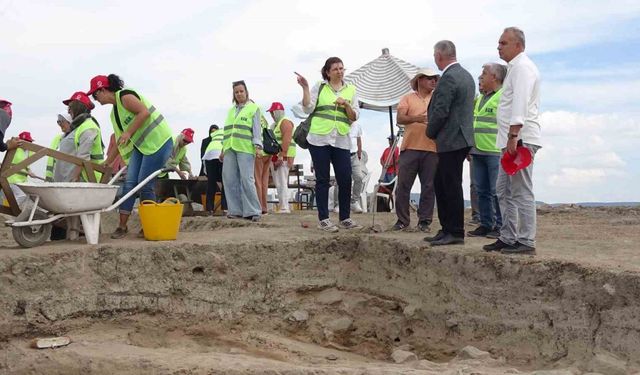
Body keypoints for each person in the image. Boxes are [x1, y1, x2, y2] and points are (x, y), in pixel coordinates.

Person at [88, 74, 173, 239]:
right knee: (130, 184)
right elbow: (121, 141)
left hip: (159, 142)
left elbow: (144, 113)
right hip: (142, 147)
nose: (95, 99)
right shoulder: (115, 114)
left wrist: (128, 132)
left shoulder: (125, 96)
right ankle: (122, 226)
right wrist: (109, 161)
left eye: (95, 94)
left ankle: (149, 225)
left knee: (144, 184)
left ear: (103, 90)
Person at [483, 27, 542, 255]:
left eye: (503, 43)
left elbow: (520, 103)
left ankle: (526, 241)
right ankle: (508, 236)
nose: (499, 46)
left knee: (521, 190)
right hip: (511, 138)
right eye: (499, 42)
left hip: (520, 138)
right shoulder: (514, 68)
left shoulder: (523, 68)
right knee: (504, 189)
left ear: (518, 45)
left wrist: (514, 135)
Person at [296, 57, 362, 232]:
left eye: (342, 68)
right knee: (323, 179)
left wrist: (346, 103)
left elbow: (354, 116)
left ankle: (345, 217)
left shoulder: (351, 90)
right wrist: (305, 88)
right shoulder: (321, 86)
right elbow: (308, 108)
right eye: (335, 69)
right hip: (319, 138)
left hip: (341, 139)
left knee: (345, 178)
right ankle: (324, 219)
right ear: (327, 72)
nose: (339, 71)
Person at [424, 40, 475, 246]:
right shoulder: (467, 76)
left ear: (439, 56)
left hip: (451, 138)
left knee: (449, 185)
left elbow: (441, 110)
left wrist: (430, 131)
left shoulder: (449, 78)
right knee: (442, 182)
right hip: (460, 137)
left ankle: (454, 231)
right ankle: (447, 228)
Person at [392, 68, 440, 232]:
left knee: (429, 186)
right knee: (403, 186)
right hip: (410, 147)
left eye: (434, 78)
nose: (433, 81)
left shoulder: (438, 98)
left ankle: (424, 221)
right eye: (429, 78)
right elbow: (400, 118)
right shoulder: (407, 98)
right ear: (419, 80)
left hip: (432, 148)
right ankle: (402, 220)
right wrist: (418, 118)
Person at [467, 63, 507, 239]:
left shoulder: (503, 97)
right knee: (481, 189)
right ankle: (485, 223)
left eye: (484, 73)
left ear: (495, 77)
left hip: (494, 150)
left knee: (496, 190)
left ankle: (500, 226)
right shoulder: (480, 98)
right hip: (478, 149)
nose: (481, 76)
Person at [220, 80, 262, 222]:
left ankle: (253, 210)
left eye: (241, 91)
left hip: (245, 148)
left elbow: (257, 129)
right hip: (229, 148)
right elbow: (227, 131)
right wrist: (222, 149)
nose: (239, 94)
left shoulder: (254, 108)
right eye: (236, 92)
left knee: (247, 179)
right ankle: (235, 210)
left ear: (246, 92)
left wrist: (257, 147)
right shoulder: (231, 110)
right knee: (229, 179)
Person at [266, 102, 296, 213]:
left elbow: (286, 140)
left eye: (272, 113)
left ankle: (284, 206)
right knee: (279, 182)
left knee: (282, 182)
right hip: (278, 157)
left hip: (283, 158)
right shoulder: (277, 125)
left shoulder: (285, 123)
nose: (272, 115)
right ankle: (283, 205)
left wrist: (281, 155)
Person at [202, 124, 227, 214]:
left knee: (211, 183)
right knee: (225, 182)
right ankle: (224, 208)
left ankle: (209, 209)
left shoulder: (215, 134)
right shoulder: (228, 132)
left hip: (209, 154)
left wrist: (205, 173)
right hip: (220, 153)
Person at [45, 114, 71, 182]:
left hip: (68, 180)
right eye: (58, 122)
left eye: (62, 121)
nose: (60, 124)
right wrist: (48, 179)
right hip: (55, 179)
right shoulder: (57, 138)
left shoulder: (75, 138)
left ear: (70, 122)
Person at [254, 114, 271, 215]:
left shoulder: (252, 115)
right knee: (264, 182)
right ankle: (264, 207)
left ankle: (258, 207)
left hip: (258, 152)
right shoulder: (263, 118)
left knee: (257, 181)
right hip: (267, 152)